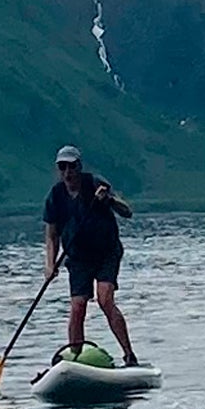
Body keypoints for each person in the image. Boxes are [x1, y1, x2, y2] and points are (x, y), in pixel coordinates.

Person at [41, 145, 139, 366]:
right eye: (62, 167)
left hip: (106, 252)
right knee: (78, 305)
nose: (68, 172)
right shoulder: (55, 196)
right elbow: (51, 235)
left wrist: (109, 200)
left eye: (72, 166)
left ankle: (129, 355)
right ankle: (75, 357)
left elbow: (127, 212)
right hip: (78, 257)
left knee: (105, 298)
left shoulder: (95, 184)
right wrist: (50, 265)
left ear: (79, 166)